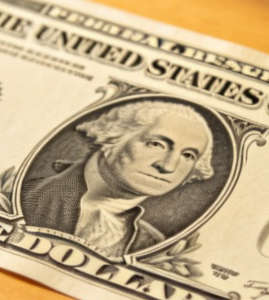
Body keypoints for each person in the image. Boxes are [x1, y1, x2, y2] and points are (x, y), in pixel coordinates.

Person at [21, 100, 214, 259]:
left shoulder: (153, 244)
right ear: (113, 137)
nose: (168, 167)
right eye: (156, 144)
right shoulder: (25, 197)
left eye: (188, 155)